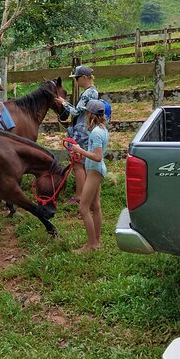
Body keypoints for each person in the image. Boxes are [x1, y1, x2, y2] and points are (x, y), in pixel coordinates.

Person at [69, 99, 109, 253]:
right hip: (96, 169)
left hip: (94, 170)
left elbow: (97, 156)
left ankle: (91, 245)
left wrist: (79, 150)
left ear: (89, 114)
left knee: (83, 207)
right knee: (95, 206)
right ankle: (96, 242)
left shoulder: (96, 133)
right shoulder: (102, 129)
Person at [55, 65, 98, 203]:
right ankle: (85, 194)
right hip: (84, 129)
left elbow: (75, 112)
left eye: (77, 78)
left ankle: (80, 195)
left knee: (78, 163)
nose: (76, 81)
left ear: (85, 78)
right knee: (82, 163)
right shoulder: (92, 92)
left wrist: (63, 103)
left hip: (81, 131)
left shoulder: (88, 93)